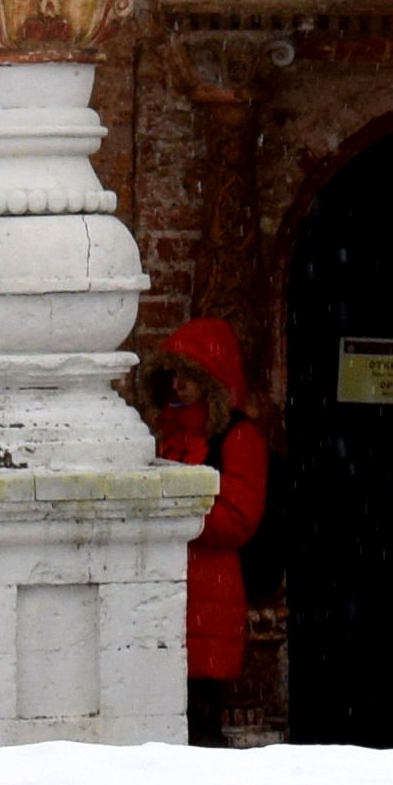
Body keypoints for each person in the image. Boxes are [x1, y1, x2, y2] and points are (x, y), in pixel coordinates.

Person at [141, 319, 272, 746]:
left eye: (188, 376)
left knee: (199, 726)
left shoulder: (237, 437)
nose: (177, 385)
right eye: (172, 376)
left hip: (210, 602)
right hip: (165, 593)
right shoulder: (167, 433)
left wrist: (168, 512)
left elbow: (238, 518)